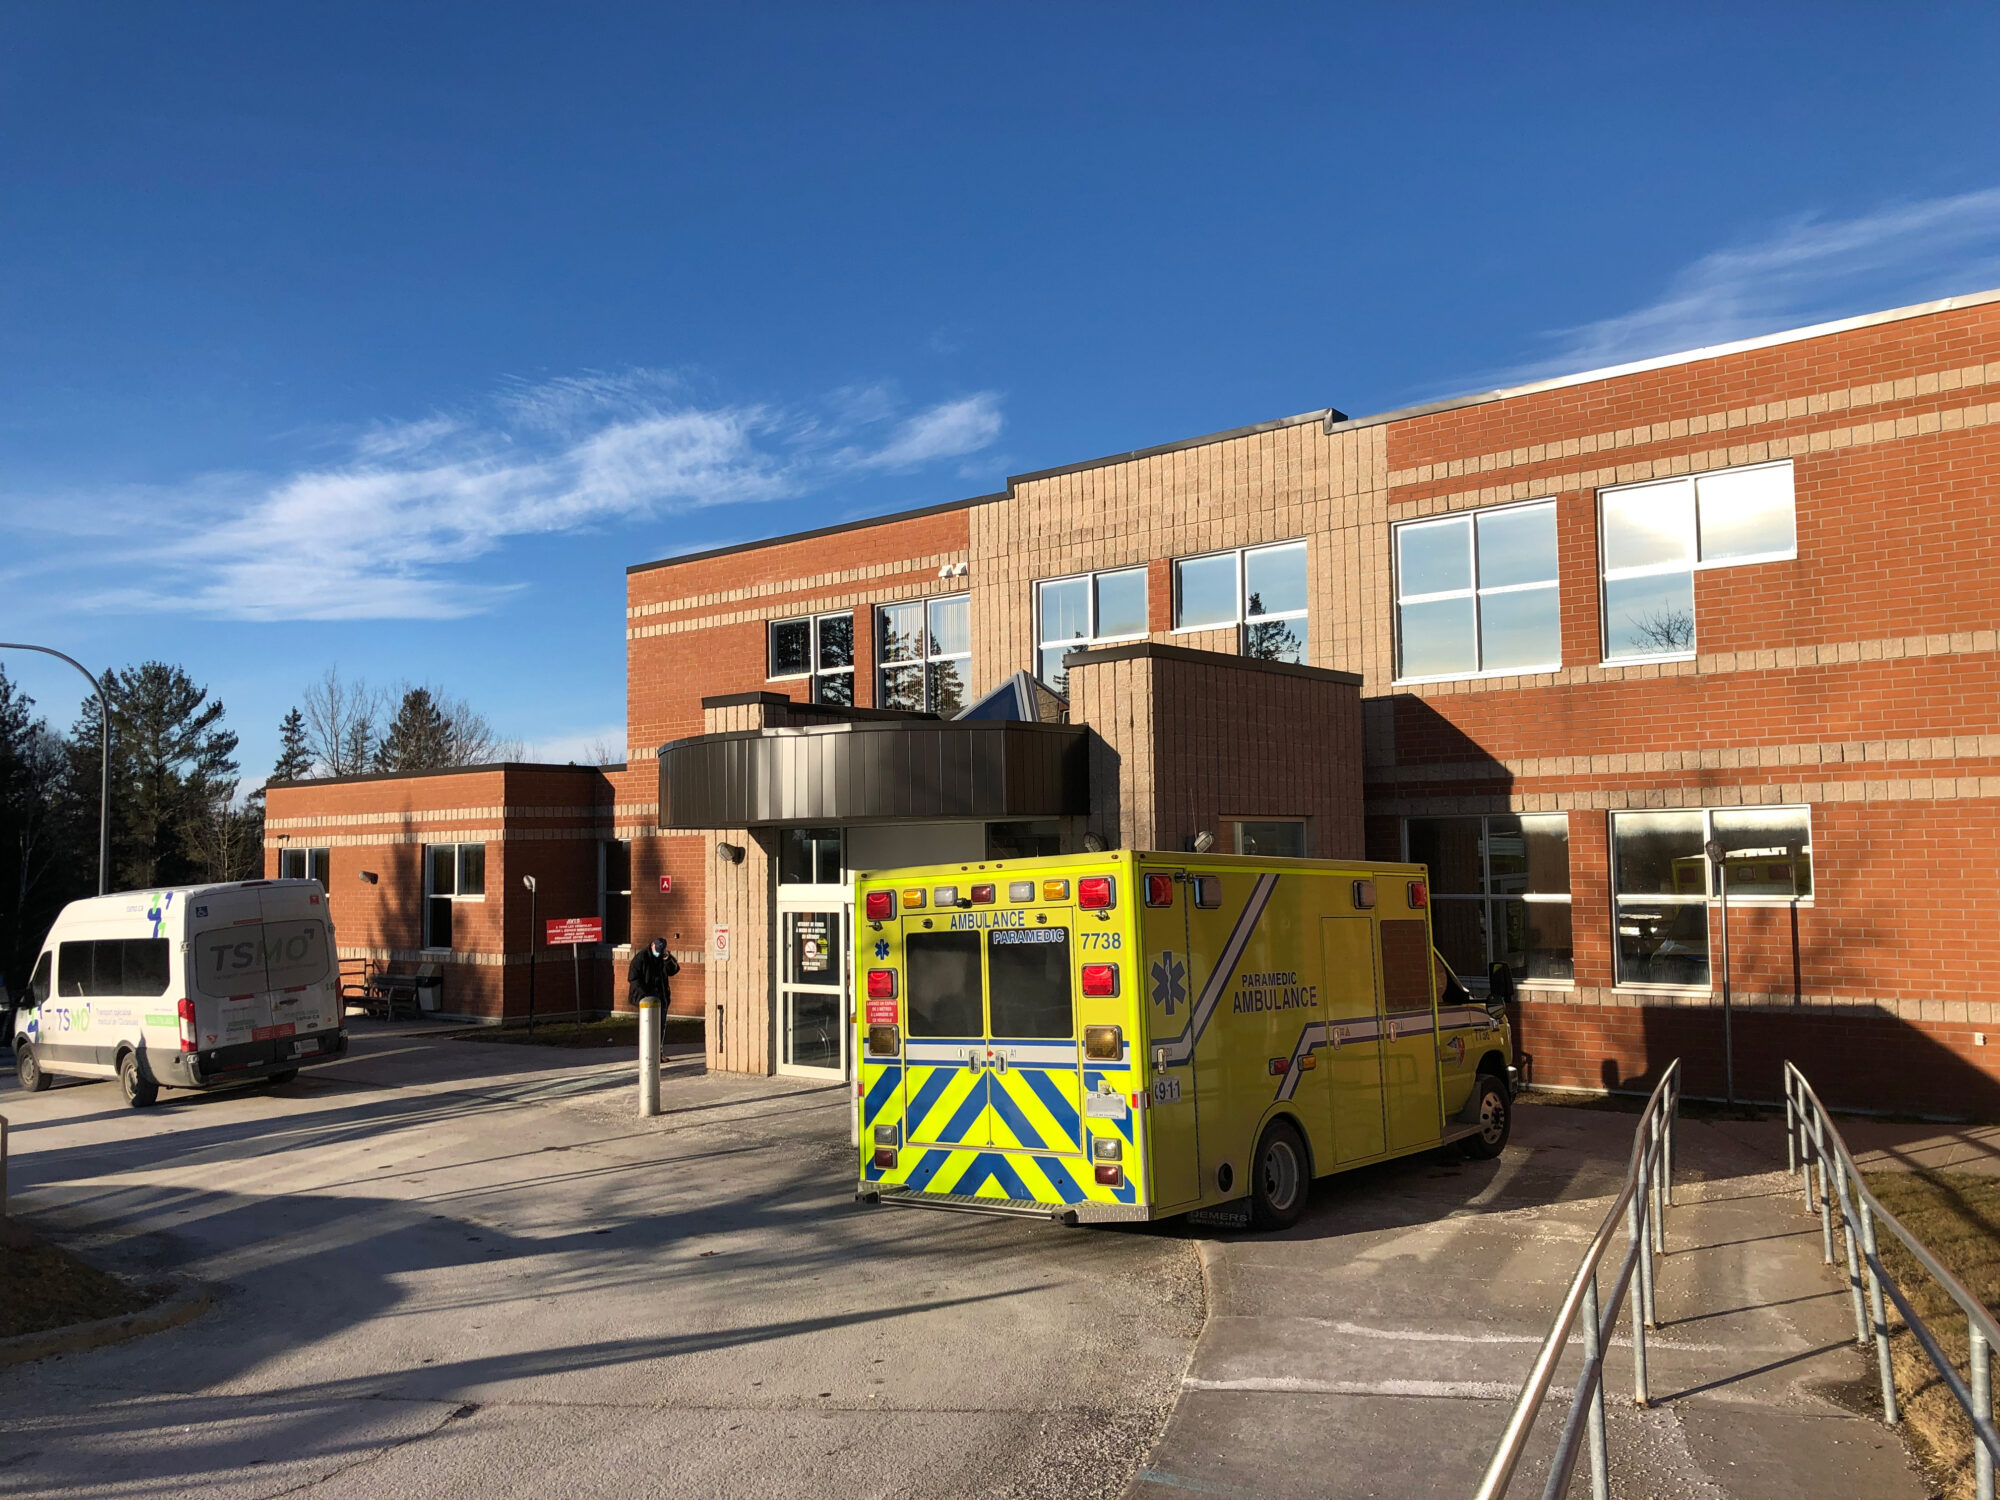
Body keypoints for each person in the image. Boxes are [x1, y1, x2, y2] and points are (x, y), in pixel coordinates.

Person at [627, 937, 678, 1051]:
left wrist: (668, 960)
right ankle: (648, 1052)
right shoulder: (641, 958)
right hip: (647, 997)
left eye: (660, 951)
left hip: (661, 996)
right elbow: (633, 978)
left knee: (661, 1026)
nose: (658, 953)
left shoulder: (663, 957)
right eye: (657, 950)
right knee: (649, 1026)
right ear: (652, 946)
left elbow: (674, 970)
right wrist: (644, 995)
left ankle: (658, 1051)